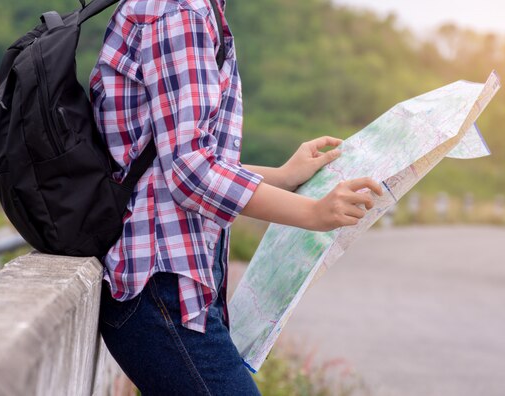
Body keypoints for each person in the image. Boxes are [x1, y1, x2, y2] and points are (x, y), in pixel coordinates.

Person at [89, 0, 382, 394]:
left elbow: (170, 167)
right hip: (160, 289)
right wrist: (313, 213)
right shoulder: (180, 12)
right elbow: (190, 173)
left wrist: (280, 177)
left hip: (172, 287)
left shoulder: (197, 10)